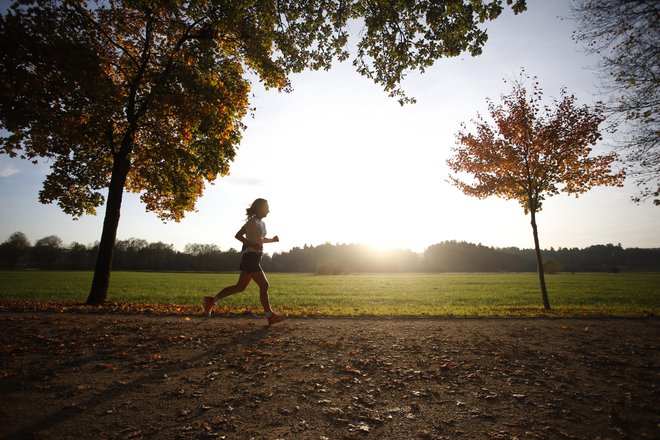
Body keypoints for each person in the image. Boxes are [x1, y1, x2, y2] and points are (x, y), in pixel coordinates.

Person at [203, 198, 287, 325]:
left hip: (256, 256)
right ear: (259, 208)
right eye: (266, 208)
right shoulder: (252, 222)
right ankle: (270, 316)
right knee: (264, 285)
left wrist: (272, 240)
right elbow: (238, 235)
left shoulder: (261, 223)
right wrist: (252, 245)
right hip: (250, 257)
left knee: (240, 287)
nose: (269, 210)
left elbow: (260, 239)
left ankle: (211, 300)